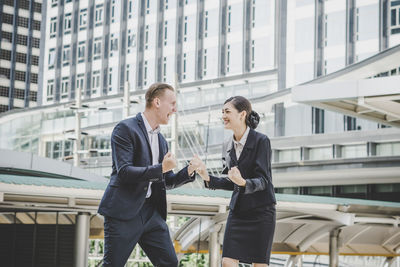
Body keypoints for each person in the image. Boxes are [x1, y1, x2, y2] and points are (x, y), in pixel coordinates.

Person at [98, 83, 202, 267]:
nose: (175, 109)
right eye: (172, 103)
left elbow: (165, 181)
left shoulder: (161, 140)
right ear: (157, 102)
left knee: (169, 263)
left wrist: (189, 171)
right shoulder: (125, 129)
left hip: (151, 213)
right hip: (124, 212)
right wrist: (161, 168)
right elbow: (124, 172)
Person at [196, 96, 276, 267]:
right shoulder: (227, 145)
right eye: (222, 112)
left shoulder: (261, 141)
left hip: (261, 211)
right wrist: (207, 177)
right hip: (238, 211)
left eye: (227, 111)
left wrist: (243, 182)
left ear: (242, 114)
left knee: (260, 264)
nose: (223, 116)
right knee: (227, 262)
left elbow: (264, 181)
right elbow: (230, 181)